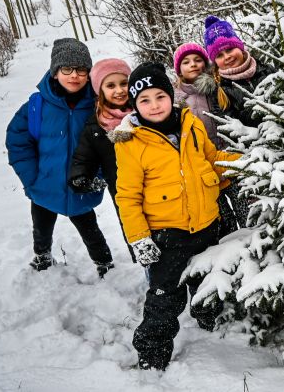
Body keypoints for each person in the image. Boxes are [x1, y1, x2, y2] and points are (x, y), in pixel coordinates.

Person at [113, 62, 240, 370]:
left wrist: (245, 162)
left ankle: (210, 319)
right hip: (166, 235)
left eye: (159, 96)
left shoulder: (191, 123)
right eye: (144, 100)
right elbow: (128, 197)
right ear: (135, 105)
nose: (154, 105)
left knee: (206, 281)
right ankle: (152, 354)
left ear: (171, 96)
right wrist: (139, 238)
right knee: (165, 298)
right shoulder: (131, 142)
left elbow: (211, 157)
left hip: (207, 223)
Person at [6, 38, 113, 276]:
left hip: (80, 186)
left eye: (81, 69)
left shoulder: (98, 105)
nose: (74, 75)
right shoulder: (37, 106)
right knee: (41, 227)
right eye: (67, 69)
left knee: (89, 228)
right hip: (44, 186)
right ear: (55, 72)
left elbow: (110, 148)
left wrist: (96, 177)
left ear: (89, 73)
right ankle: (42, 256)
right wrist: (32, 178)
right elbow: (17, 140)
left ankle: (104, 263)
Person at [173, 41, 245, 236]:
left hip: (229, 158)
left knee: (244, 210)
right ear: (179, 69)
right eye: (186, 62)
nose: (193, 64)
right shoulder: (176, 100)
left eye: (198, 60)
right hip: (205, 168)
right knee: (223, 219)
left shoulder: (216, 87)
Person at [69, 58, 135, 261]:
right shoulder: (95, 126)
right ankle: (151, 275)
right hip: (124, 192)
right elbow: (84, 156)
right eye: (110, 85)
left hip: (159, 184)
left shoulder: (145, 111)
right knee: (137, 233)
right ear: (100, 90)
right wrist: (80, 175)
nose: (119, 90)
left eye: (124, 83)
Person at [203, 16, 275, 127]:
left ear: (240, 47)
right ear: (215, 61)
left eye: (230, 49)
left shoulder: (266, 70)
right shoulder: (220, 91)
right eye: (219, 55)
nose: (227, 57)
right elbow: (230, 129)